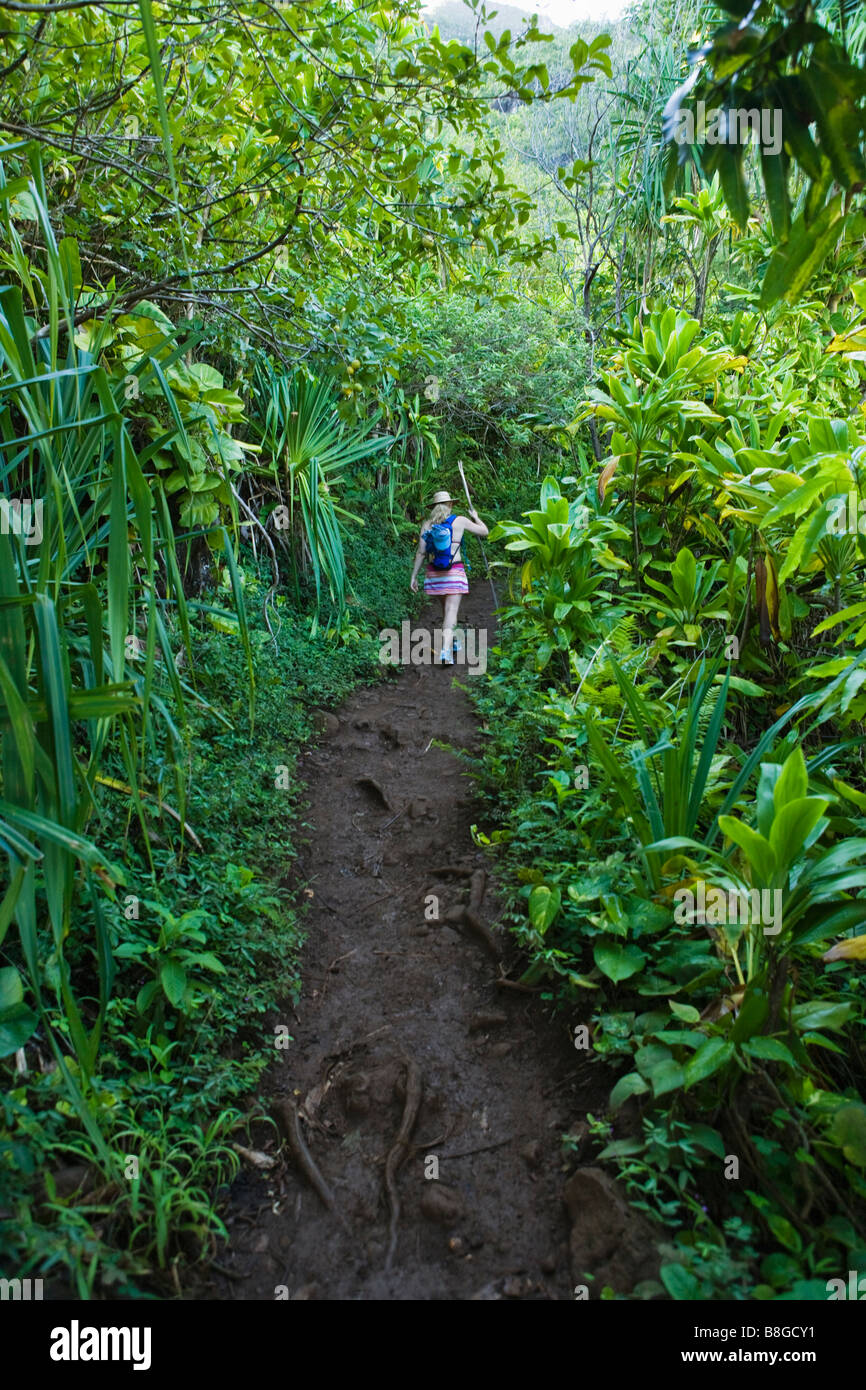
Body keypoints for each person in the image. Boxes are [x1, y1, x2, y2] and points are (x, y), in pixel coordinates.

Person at [410, 488, 489, 663]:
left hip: (434, 575)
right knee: (451, 611)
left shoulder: (427, 525)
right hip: (454, 572)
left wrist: (414, 576)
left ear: (433, 507)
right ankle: (445, 651)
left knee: (446, 609)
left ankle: (453, 642)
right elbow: (484, 531)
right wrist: (475, 517)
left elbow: (421, 553)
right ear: (450, 505)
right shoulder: (459, 521)